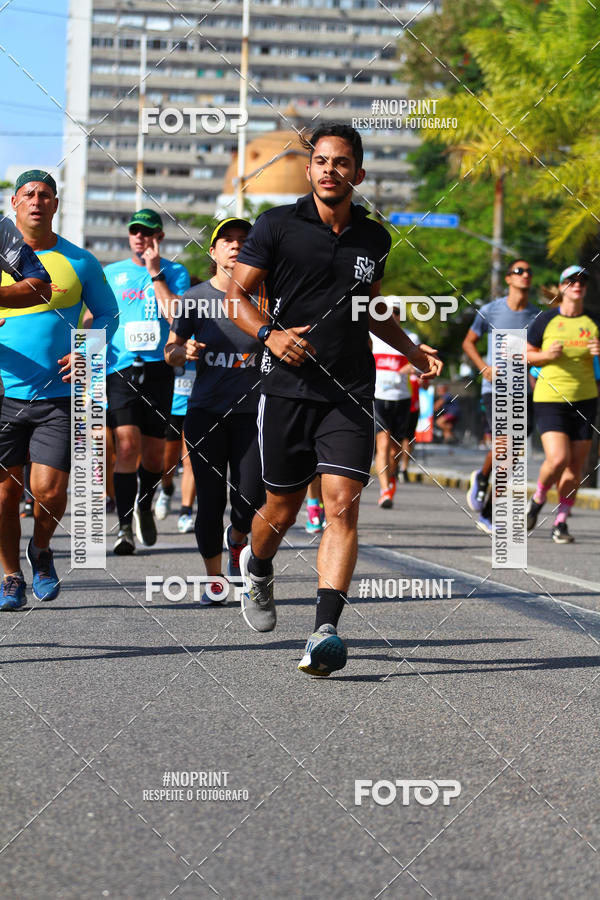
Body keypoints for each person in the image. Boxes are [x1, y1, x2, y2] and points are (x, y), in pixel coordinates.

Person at [224, 123, 442, 676]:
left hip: (349, 388)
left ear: (358, 174)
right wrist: (269, 334)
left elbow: (370, 306)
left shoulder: (374, 238)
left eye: (341, 163)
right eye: (321, 161)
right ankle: (259, 564)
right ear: (309, 169)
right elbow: (238, 296)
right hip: (286, 389)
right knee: (281, 509)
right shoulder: (276, 225)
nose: (329, 170)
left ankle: (325, 631)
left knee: (343, 504)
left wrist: (413, 351)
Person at [0, 170, 118, 610]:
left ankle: (42, 549)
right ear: (14, 204)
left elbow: (108, 315)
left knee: (49, 491)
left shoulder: (79, 260)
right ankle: (11, 576)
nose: (36, 201)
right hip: (2, 394)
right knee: (5, 493)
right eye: (27, 194)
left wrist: (89, 351)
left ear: (55, 204)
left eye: (44, 195)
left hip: (58, 396)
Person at [165, 217, 267, 604]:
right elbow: (171, 350)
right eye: (227, 240)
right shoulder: (195, 298)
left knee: (250, 496)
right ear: (213, 251)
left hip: (253, 412)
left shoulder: (266, 297)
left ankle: (237, 538)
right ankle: (214, 581)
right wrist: (182, 352)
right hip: (206, 411)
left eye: (244, 239)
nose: (236, 245)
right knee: (209, 499)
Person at [104, 209, 190, 555]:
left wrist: (156, 273)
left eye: (148, 232)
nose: (141, 237)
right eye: (135, 232)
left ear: (160, 237)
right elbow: (95, 317)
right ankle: (125, 526)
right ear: (129, 236)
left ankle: (145, 503)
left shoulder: (176, 272)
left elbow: (178, 318)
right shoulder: (111, 273)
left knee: (155, 457)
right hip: (121, 369)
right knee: (125, 447)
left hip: (159, 370)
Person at [462, 259, 539, 533]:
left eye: (528, 271)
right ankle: (489, 514)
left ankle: (482, 477)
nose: (525, 275)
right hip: (495, 389)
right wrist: (483, 367)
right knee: (506, 448)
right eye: (519, 271)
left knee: (511, 452)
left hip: (525, 390)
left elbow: (536, 355)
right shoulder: (490, 310)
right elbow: (468, 341)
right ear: (508, 278)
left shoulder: (537, 315)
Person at [526, 266, 600, 543]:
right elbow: (526, 355)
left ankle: (561, 523)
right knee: (558, 458)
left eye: (582, 281)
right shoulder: (545, 320)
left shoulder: (594, 321)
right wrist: (546, 354)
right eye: (571, 280)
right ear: (561, 287)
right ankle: (538, 500)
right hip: (550, 398)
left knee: (575, 468)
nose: (577, 284)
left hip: (586, 399)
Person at [372, 301, 413, 508]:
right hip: (378, 397)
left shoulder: (410, 339)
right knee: (383, 443)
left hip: (402, 398)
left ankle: (392, 476)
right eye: (387, 312)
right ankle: (385, 490)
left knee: (395, 450)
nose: (391, 315)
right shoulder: (372, 337)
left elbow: (420, 364)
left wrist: (412, 368)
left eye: (395, 312)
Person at [154, 360, 197, 533]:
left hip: (196, 407)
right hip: (170, 407)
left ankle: (185, 513)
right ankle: (166, 488)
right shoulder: (172, 335)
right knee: (167, 462)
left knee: (191, 461)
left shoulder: (205, 335)